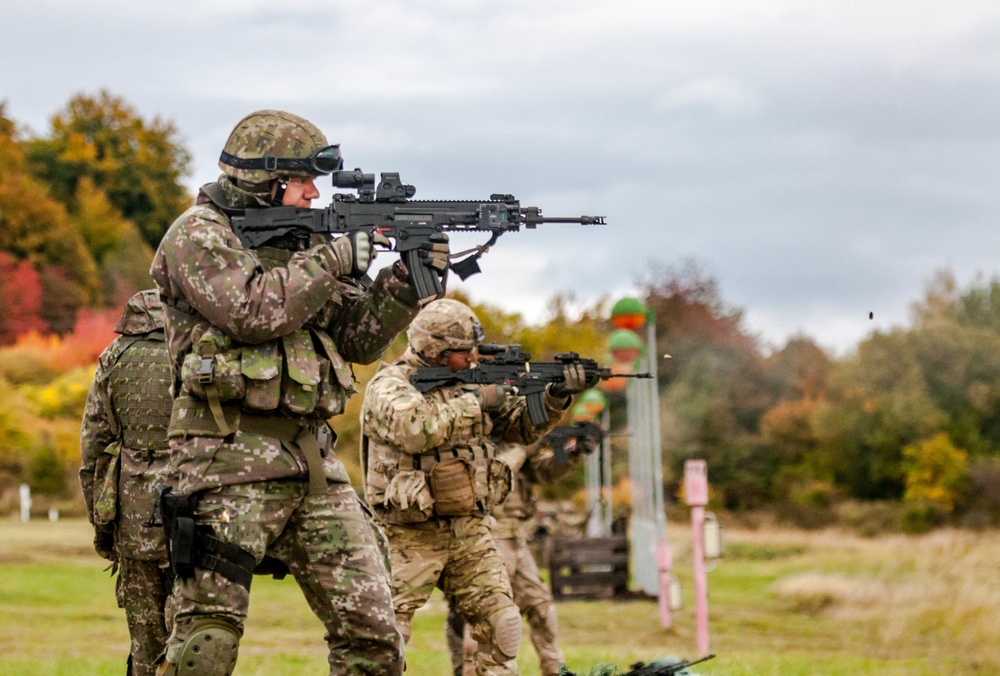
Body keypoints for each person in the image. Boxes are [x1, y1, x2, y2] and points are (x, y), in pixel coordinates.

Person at [149, 109, 446, 676]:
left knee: (376, 637)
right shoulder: (198, 235)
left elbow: (357, 338)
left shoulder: (308, 246)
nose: (314, 195)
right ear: (266, 178)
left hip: (314, 466)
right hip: (225, 463)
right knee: (204, 647)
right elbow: (253, 311)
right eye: (303, 181)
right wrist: (334, 258)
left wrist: (407, 279)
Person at [360, 298, 589, 675]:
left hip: (470, 530)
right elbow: (416, 430)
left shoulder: (473, 380)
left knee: (503, 624)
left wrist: (554, 397)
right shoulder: (390, 385)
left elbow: (521, 429)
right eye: (463, 351)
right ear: (433, 348)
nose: (472, 358)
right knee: (384, 635)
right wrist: (478, 400)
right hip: (407, 533)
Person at [80, 290, 174, 676]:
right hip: (194, 507)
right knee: (203, 638)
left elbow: (93, 446)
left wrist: (100, 521)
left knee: (145, 642)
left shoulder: (114, 357)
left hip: (133, 515)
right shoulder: (195, 350)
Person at [446, 438, 593, 676]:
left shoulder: (516, 438)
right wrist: (521, 449)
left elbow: (545, 474)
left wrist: (571, 452)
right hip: (485, 537)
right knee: (486, 615)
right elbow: (487, 476)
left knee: (541, 607)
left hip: (517, 538)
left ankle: (555, 669)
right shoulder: (472, 436)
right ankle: (472, 670)